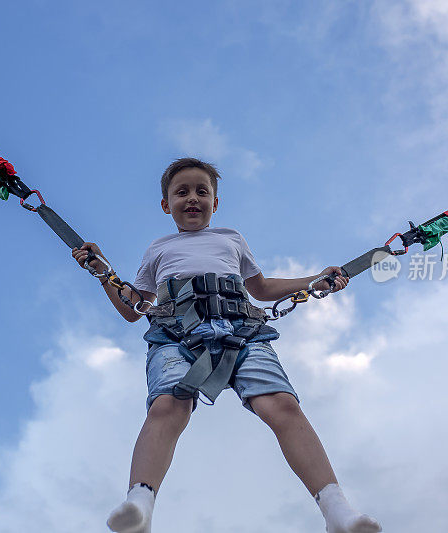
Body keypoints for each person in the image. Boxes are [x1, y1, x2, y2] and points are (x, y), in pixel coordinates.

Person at [72, 158, 381, 533]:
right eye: (181, 192)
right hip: (175, 332)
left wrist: (314, 279)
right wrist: (101, 269)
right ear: (166, 205)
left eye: (202, 191)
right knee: (169, 405)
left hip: (241, 329)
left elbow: (262, 289)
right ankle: (140, 503)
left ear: (215, 203)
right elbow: (134, 306)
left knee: (282, 405)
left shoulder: (231, 238)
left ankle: (336, 509)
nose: (192, 198)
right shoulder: (159, 248)